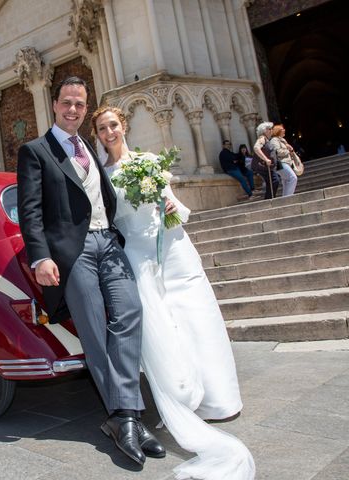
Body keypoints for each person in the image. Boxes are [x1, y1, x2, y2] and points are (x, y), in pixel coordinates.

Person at [92, 105, 255, 479]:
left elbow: (176, 206)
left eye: (113, 125)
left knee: (196, 315)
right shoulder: (102, 176)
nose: (109, 132)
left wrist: (170, 205)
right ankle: (182, 396)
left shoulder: (149, 160)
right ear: (98, 135)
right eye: (102, 129)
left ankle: (217, 396)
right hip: (136, 252)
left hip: (174, 246)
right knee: (161, 326)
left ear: (124, 125)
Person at [17, 76, 164, 469]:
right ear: (54, 104)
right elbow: (30, 211)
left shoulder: (89, 147)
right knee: (95, 329)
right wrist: (40, 257)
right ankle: (128, 419)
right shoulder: (35, 150)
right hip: (73, 253)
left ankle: (123, 417)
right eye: (67, 102)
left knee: (129, 313)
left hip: (109, 243)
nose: (73, 110)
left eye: (80, 104)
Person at [251, 121, 280, 199]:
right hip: (263, 166)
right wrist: (266, 159)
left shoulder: (266, 139)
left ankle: (269, 199)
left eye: (271, 129)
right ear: (264, 130)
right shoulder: (262, 138)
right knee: (275, 180)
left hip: (266, 166)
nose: (271, 130)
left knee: (271, 182)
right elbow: (256, 148)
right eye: (269, 129)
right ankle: (269, 199)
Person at [269, 124, 298, 196]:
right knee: (293, 178)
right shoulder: (274, 140)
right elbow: (278, 152)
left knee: (286, 181)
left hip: (286, 162)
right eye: (282, 129)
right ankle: (288, 198)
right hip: (280, 163)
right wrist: (288, 150)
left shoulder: (282, 140)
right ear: (278, 131)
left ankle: (285, 199)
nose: (284, 130)